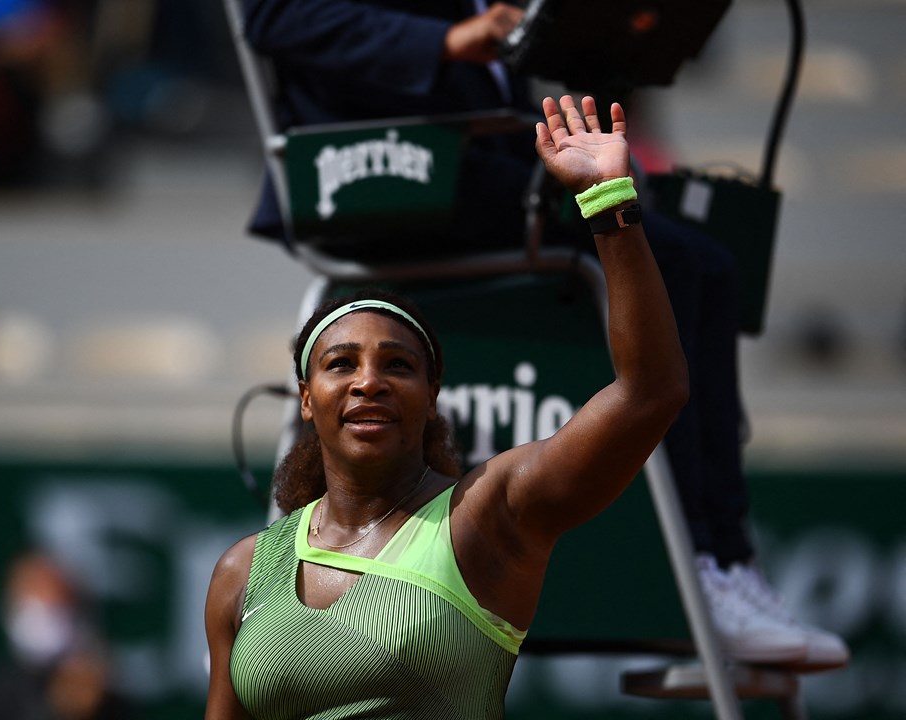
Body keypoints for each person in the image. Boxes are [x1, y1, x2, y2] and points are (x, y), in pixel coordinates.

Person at [237, 0, 849, 671]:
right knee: (675, 258)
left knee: (710, 257)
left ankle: (724, 559)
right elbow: (273, 17)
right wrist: (447, 39)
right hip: (387, 165)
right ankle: (702, 571)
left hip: (486, 150)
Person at [204, 94, 689, 718]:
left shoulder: (486, 516)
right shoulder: (242, 574)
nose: (369, 381)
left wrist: (608, 205)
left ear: (432, 399)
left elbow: (651, 393)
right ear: (305, 397)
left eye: (398, 365)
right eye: (341, 363)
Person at [0, 551, 134, 720]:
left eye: (59, 609)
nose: (47, 620)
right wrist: (59, 709)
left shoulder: (99, 689)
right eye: (37, 607)